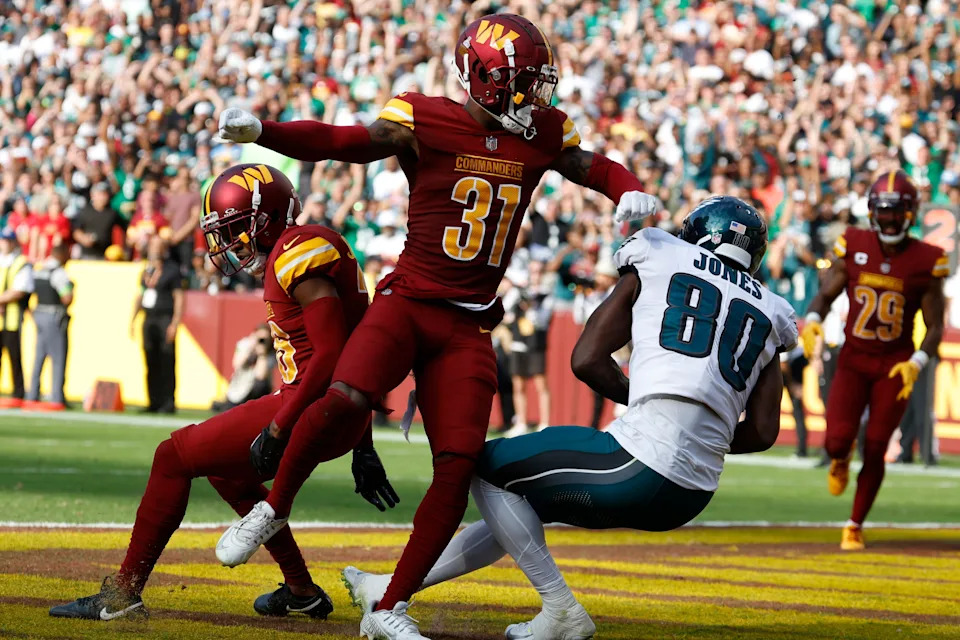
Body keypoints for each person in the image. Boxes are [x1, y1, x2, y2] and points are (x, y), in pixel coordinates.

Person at [213, 14, 659, 640]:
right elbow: (345, 141)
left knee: (457, 466)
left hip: (468, 324)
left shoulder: (544, 133)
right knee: (344, 398)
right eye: (520, 83)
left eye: (537, 83)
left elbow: (593, 167)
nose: (533, 97)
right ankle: (272, 508)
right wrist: (266, 132)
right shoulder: (424, 118)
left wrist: (629, 190)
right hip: (408, 302)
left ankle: (389, 607)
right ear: (480, 78)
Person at [341, 196, 797, 639]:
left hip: (636, 465)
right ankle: (389, 585)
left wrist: (641, 400)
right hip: (691, 493)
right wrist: (704, 437)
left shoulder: (662, 253)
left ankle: (561, 610)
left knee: (483, 467)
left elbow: (587, 360)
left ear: (695, 233)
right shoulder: (772, 309)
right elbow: (761, 431)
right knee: (523, 502)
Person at [49, 163, 395, 622]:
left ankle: (123, 593)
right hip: (333, 411)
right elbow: (351, 356)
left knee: (171, 456)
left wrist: (278, 426)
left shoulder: (297, 254)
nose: (227, 244)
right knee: (223, 470)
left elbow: (331, 358)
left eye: (234, 229)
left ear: (267, 218)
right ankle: (300, 590)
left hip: (314, 409)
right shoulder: (300, 248)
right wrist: (362, 441)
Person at [800, 171, 947, 550]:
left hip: (893, 364)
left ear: (910, 214)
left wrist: (917, 361)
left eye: (896, 213)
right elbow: (828, 292)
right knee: (835, 442)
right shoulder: (855, 242)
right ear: (871, 212)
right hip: (853, 358)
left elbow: (934, 325)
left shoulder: (927, 259)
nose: (889, 220)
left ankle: (854, 523)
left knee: (878, 444)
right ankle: (839, 459)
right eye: (883, 212)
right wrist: (813, 319)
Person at [130, 236, 183, 414]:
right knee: (150, 359)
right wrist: (133, 319)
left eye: (157, 246)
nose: (153, 249)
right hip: (149, 318)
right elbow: (140, 295)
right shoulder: (147, 270)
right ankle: (153, 400)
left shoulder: (172, 270)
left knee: (166, 360)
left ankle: (168, 402)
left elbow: (178, 297)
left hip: (165, 318)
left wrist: (175, 322)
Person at [26, 242, 73, 409]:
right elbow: (66, 297)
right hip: (54, 315)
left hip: (38, 313)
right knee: (58, 357)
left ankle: (32, 394)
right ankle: (56, 397)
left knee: (39, 357)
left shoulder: (40, 270)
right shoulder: (59, 273)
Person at [0, 228, 33, 408]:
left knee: (14, 358)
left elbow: (20, 290)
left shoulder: (20, 263)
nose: (4, 244)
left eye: (7, 240)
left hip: (12, 319)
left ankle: (18, 395)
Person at [211, 324, 275, 412]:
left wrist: (262, 354)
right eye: (260, 338)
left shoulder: (271, 352)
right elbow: (237, 364)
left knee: (261, 384)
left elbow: (261, 376)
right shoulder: (244, 344)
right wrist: (251, 347)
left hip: (257, 392)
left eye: (264, 339)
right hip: (239, 390)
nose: (261, 341)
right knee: (229, 415)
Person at [72, 183, 121, 260]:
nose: (102, 197)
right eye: (100, 194)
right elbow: (76, 230)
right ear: (92, 195)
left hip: (106, 256)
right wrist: (83, 238)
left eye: (105, 194)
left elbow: (122, 231)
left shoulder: (112, 213)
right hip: (87, 256)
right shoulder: (85, 211)